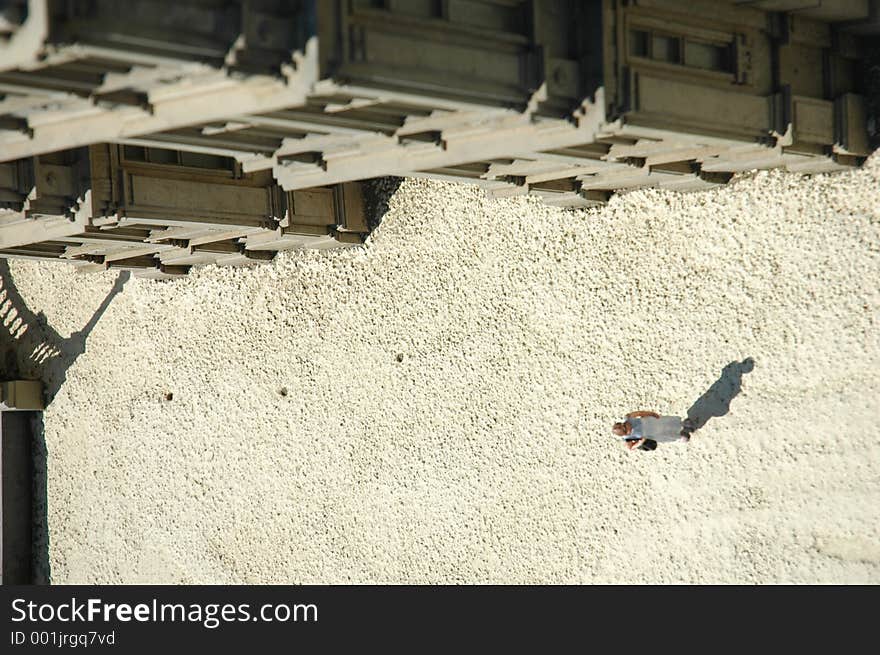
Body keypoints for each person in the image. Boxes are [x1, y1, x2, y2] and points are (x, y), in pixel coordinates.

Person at [612, 410, 693, 452]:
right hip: (652, 434)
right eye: (626, 429)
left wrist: (651, 414)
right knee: (665, 434)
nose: (627, 426)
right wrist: (639, 443)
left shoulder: (628, 418)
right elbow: (630, 447)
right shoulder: (628, 438)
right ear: (625, 434)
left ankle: (682, 423)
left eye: (625, 425)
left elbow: (640, 413)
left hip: (650, 422)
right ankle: (679, 436)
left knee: (667, 423)